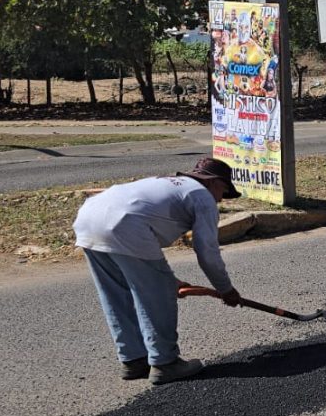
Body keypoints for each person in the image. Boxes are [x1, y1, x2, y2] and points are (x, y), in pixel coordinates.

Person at [73, 157, 242, 385]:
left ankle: (133, 359)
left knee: (115, 295)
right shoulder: (202, 196)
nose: (221, 199)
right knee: (157, 297)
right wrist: (226, 289)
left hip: (88, 219)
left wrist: (170, 280)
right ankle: (165, 363)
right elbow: (207, 251)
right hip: (125, 225)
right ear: (213, 182)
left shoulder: (166, 183)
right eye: (224, 190)